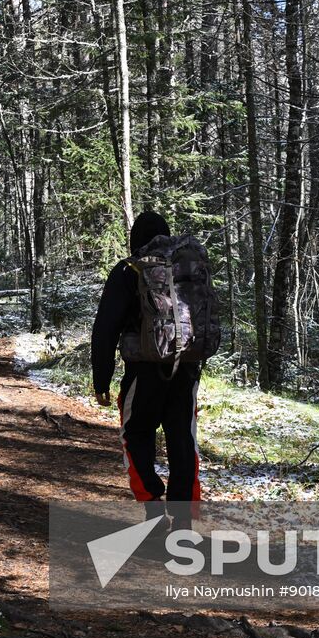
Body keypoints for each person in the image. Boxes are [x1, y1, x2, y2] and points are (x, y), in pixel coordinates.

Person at [91, 211, 202, 531]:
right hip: (186, 369)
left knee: (136, 435)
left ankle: (153, 509)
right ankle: (183, 521)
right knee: (183, 440)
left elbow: (105, 328)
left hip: (144, 371)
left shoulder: (128, 270)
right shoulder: (186, 269)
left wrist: (102, 379)